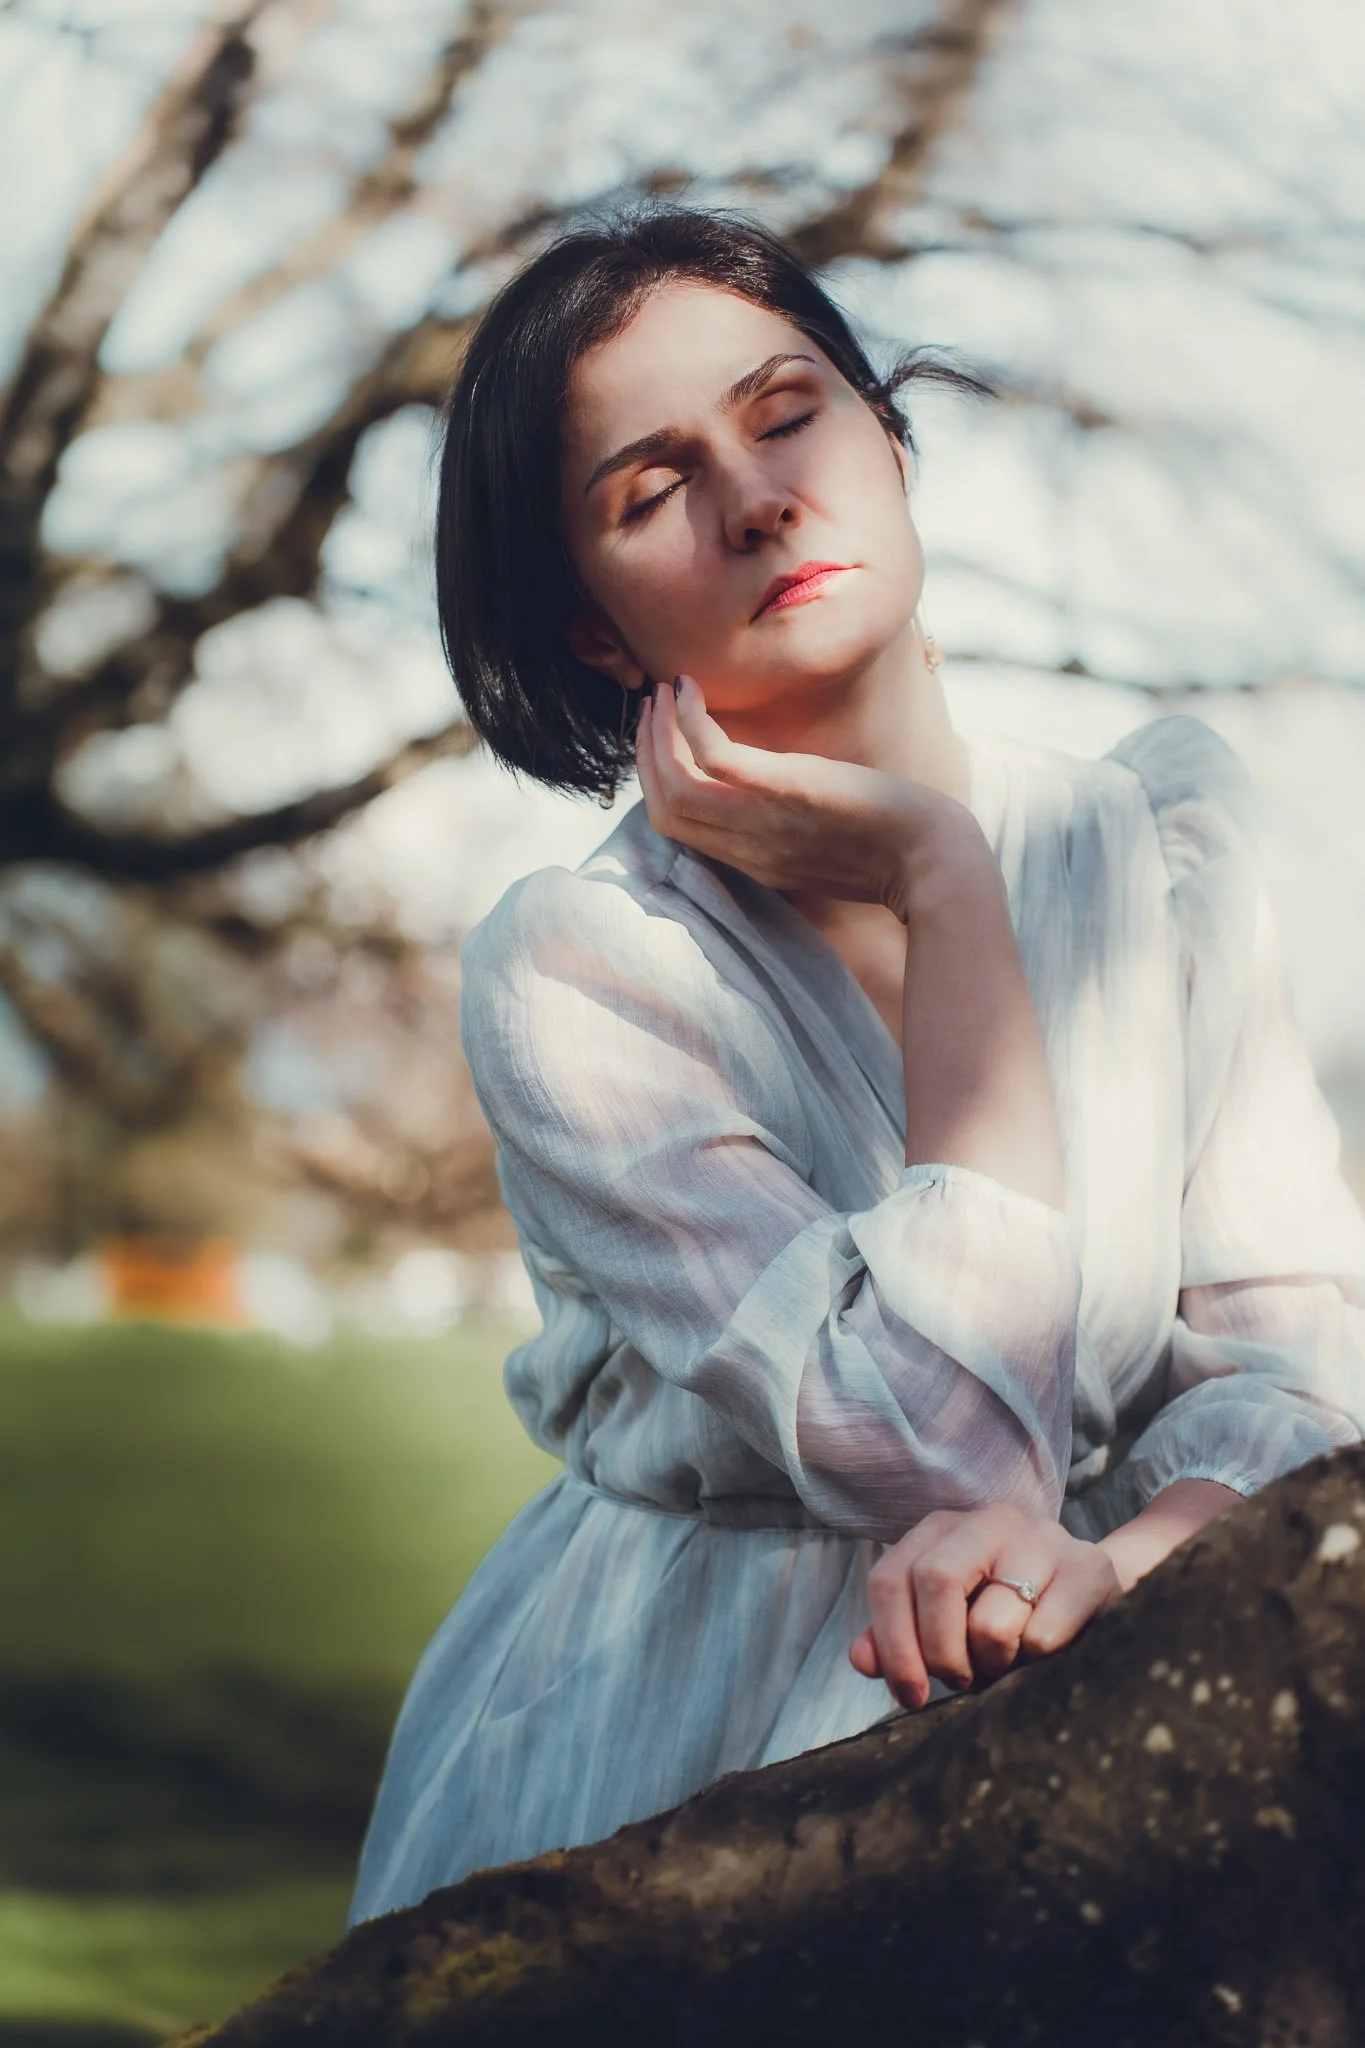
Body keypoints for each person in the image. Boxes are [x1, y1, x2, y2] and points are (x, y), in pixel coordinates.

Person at [346, 206, 1365, 1926]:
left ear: (888, 440)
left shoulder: (1161, 851)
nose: (755, 496)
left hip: (1139, 1693)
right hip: (685, 1774)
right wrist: (942, 888)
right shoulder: (591, 974)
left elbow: (1307, 1369)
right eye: (651, 488)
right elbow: (946, 1431)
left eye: (787, 409)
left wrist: (1113, 1570)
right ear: (598, 630)